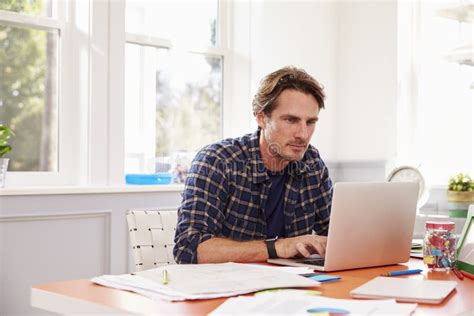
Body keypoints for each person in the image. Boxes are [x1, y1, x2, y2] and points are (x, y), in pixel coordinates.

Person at [173, 66, 333, 264]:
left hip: (293, 287)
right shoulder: (217, 161)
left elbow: (337, 237)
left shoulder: (312, 163)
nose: (303, 134)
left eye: (310, 122)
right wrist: (278, 247)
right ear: (261, 118)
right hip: (225, 287)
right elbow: (188, 249)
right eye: (290, 120)